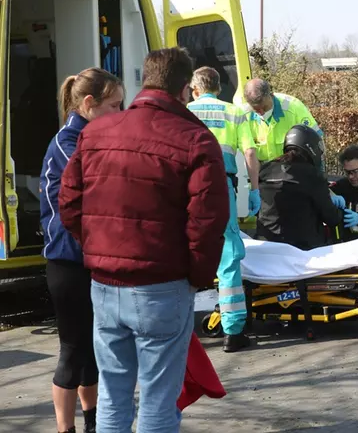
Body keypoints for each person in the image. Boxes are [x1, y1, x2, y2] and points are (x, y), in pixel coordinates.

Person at [58, 47, 229, 433]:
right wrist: (197, 276)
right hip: (162, 285)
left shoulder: (96, 132)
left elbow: (68, 202)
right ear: (185, 90)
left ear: (144, 82)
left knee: (114, 394)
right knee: (157, 398)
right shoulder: (196, 140)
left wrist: (98, 248)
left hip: (105, 283)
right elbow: (208, 219)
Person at [40, 68, 124, 433]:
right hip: (68, 262)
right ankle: (65, 428)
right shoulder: (68, 143)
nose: (121, 113)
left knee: (93, 349)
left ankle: (91, 422)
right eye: (115, 105)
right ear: (89, 104)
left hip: (92, 257)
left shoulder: (91, 136)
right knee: (73, 349)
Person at [187, 66, 259, 353]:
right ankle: (233, 331)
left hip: (188, 188)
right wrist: (253, 190)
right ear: (219, 88)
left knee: (187, 250)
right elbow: (250, 152)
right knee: (228, 255)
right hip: (220, 187)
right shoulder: (235, 112)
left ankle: (181, 331)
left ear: (195, 89)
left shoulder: (184, 110)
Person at [256, 124, 343, 251]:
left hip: (267, 245)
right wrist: (340, 211)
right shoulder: (312, 175)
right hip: (303, 249)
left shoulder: (266, 170)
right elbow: (331, 218)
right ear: (311, 147)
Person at [243, 78, 323, 164]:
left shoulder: (294, 108)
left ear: (271, 95)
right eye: (256, 110)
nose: (261, 112)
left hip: (295, 170)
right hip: (264, 172)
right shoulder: (244, 115)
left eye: (264, 107)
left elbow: (317, 145)